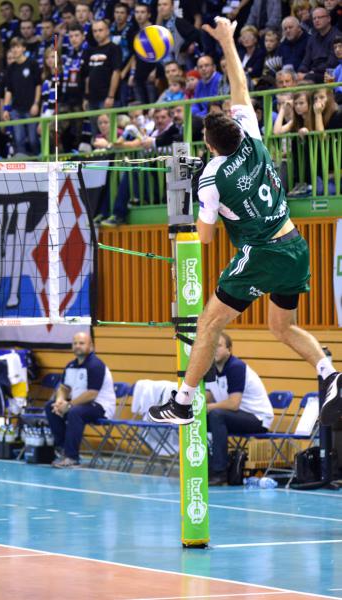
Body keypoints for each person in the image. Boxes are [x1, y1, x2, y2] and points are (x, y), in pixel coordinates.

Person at [146, 18, 342, 431]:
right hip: (295, 244)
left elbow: (204, 238)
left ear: (209, 144)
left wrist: (198, 206)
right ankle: (329, 373)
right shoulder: (252, 138)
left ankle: (183, 402)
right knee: (281, 326)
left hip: (263, 253)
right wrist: (227, 40)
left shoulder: (212, 176)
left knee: (208, 322)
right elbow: (240, 86)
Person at [204, 333, 273, 486]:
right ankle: (205, 468)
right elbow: (208, 396)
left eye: (218, 346)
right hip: (233, 417)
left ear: (229, 349)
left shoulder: (236, 367)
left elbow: (234, 404)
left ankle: (219, 473)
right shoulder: (210, 368)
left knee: (216, 415)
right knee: (196, 419)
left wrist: (208, 407)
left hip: (257, 418)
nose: (214, 349)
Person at [45, 331, 116, 468]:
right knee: (50, 407)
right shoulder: (71, 366)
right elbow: (64, 388)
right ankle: (63, 449)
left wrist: (69, 405)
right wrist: (59, 401)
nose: (77, 346)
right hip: (80, 405)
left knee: (75, 412)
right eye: (75, 343)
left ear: (91, 346)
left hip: (100, 407)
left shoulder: (96, 365)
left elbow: (92, 394)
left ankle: (72, 457)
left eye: (82, 343)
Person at [2, 37, 41, 155]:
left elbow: (38, 85)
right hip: (16, 110)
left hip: (30, 108)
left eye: (18, 47)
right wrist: (6, 109)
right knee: (19, 140)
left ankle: (40, 161)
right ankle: (23, 163)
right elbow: (9, 90)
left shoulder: (32, 63)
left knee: (33, 140)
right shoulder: (11, 68)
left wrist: (36, 103)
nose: (15, 50)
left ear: (24, 48)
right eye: (13, 47)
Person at [298, 7, 341, 81]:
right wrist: (301, 72)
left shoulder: (337, 36)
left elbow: (332, 63)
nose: (316, 20)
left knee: (308, 78)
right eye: (314, 18)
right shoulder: (312, 39)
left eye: (320, 17)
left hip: (329, 73)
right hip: (312, 73)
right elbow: (306, 61)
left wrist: (312, 72)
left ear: (329, 19)